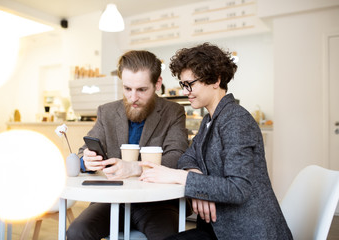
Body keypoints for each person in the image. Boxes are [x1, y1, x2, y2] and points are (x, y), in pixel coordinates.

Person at [139, 43, 293, 240]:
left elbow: (238, 189)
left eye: (190, 84)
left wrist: (180, 178)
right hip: (219, 228)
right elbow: (187, 156)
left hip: (248, 232)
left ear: (216, 79)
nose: (186, 91)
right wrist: (196, 181)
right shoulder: (209, 120)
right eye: (183, 84)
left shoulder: (236, 120)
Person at [66, 50, 189, 240]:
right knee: (76, 232)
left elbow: (177, 156)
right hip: (114, 199)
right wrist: (86, 161)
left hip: (156, 202)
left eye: (141, 90)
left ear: (157, 84)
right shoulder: (106, 111)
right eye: (127, 89)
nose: (133, 97)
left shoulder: (173, 112)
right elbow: (84, 151)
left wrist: (134, 168)